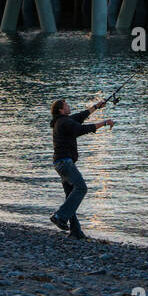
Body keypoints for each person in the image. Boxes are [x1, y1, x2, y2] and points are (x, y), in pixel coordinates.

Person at [49, 97, 114, 239]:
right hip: (65, 163)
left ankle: (75, 231)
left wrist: (97, 106)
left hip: (61, 163)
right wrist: (104, 123)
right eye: (66, 105)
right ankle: (59, 216)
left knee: (70, 194)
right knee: (81, 188)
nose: (68, 106)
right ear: (61, 109)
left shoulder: (62, 121)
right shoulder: (64, 122)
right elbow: (81, 129)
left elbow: (81, 116)